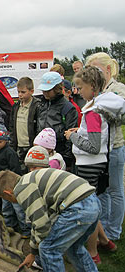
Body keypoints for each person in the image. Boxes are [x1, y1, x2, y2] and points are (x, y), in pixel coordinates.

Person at [65, 66, 125, 264]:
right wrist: (80, 132)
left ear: (92, 86)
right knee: (92, 205)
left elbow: (92, 146)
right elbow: (95, 135)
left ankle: (92, 253)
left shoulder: (92, 112)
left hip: (89, 164)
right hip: (97, 162)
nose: (78, 91)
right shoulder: (98, 107)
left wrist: (73, 136)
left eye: (80, 87)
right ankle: (105, 241)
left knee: (88, 209)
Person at [0, 168, 100, 271]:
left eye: (6, 199)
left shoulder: (22, 189)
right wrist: (33, 253)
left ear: (7, 193)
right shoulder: (30, 181)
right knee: (74, 247)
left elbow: (42, 225)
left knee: (48, 249)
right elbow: (42, 220)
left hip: (77, 208)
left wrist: (36, 249)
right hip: (91, 202)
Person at [86, 52, 125, 242]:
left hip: (114, 146)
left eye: (97, 69)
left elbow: (122, 116)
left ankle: (114, 231)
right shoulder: (96, 90)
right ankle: (102, 231)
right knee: (103, 189)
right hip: (100, 147)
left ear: (108, 69)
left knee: (116, 189)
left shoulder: (117, 89)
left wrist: (104, 111)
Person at [0, 124, 30, 237]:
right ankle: (9, 226)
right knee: (6, 208)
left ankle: (26, 230)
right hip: (2, 187)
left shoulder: (10, 152)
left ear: (6, 141)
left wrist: (13, 184)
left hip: (12, 186)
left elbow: (15, 169)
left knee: (19, 209)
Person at [36, 71, 78, 172]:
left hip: (59, 154)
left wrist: (67, 159)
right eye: (43, 90)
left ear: (57, 89)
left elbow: (70, 134)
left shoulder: (68, 108)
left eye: (48, 90)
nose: (45, 93)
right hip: (40, 152)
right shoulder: (41, 105)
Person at [9, 77, 40, 173]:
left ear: (31, 91)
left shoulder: (37, 106)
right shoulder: (16, 106)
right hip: (18, 146)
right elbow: (11, 126)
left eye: (23, 92)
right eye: (18, 92)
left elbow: (39, 127)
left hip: (31, 145)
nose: (20, 95)